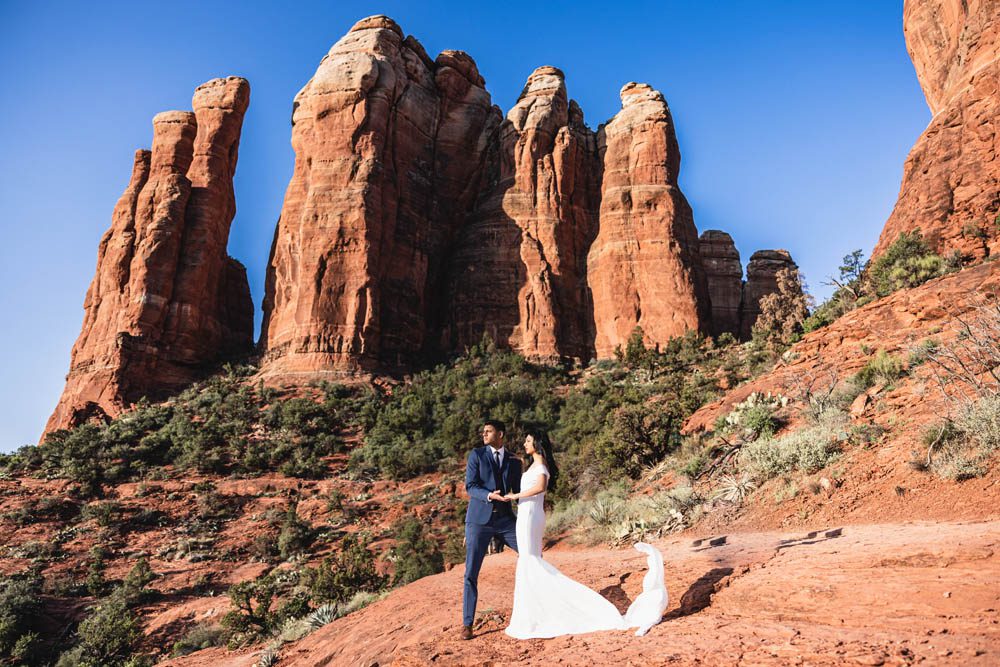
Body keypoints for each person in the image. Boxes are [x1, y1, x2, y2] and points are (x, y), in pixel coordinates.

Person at [502, 431, 667, 639]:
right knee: (528, 559)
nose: (525, 443)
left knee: (529, 559)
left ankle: (535, 613)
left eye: (528, 440)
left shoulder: (541, 466)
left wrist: (515, 496)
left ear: (537, 443)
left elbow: (540, 487)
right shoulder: (532, 465)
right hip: (527, 514)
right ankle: (534, 610)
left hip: (529, 515)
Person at [461, 419, 521, 640]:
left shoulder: (514, 461)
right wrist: (488, 495)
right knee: (471, 572)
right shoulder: (476, 455)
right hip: (479, 521)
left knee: (531, 555)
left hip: (506, 521)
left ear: (500, 434)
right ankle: (467, 624)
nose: (484, 434)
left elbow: (519, 491)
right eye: (483, 431)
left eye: (488, 431)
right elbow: (470, 486)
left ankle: (539, 606)